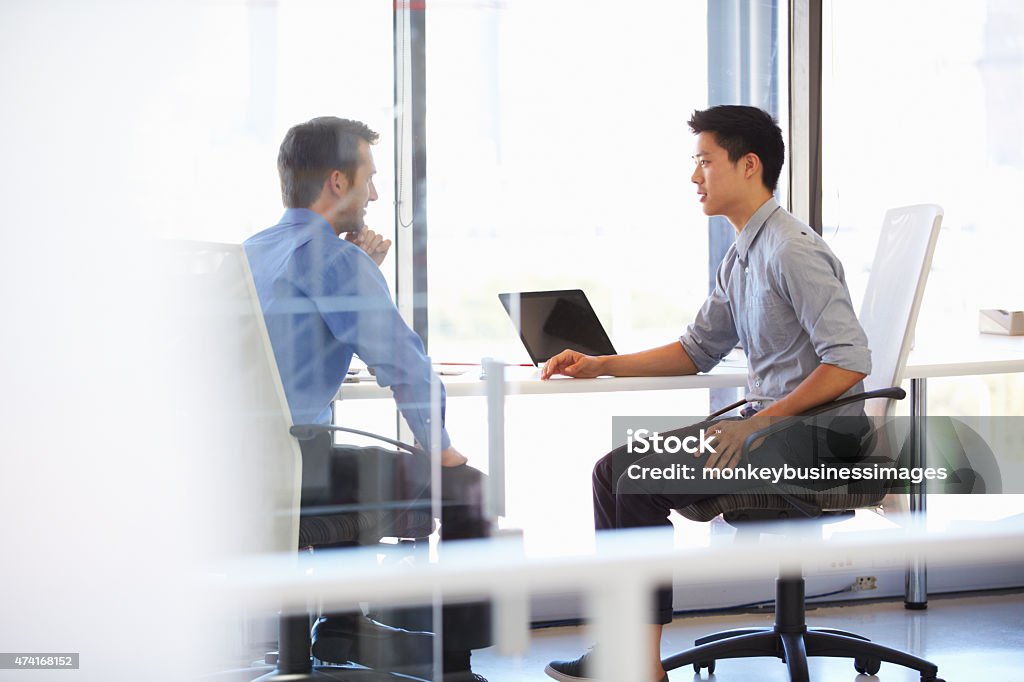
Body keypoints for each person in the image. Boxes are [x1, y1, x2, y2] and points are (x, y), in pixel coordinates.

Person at [542, 105, 872, 682]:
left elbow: (848, 362)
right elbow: (696, 349)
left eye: (704, 162)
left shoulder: (793, 249)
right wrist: (601, 364)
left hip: (811, 442)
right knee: (610, 471)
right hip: (770, 430)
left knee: (636, 483)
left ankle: (641, 667)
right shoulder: (742, 253)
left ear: (748, 166)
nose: (695, 177)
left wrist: (758, 423)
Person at [244, 116, 489, 682]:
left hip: (232, 478)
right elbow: (405, 366)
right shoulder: (333, 260)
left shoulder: (251, 254)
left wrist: (358, 279)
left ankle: (342, 622)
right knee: (466, 489)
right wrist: (444, 452)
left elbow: (282, 362)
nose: (375, 193)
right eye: (369, 178)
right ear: (337, 182)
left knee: (334, 457)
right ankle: (456, 666)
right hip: (294, 480)